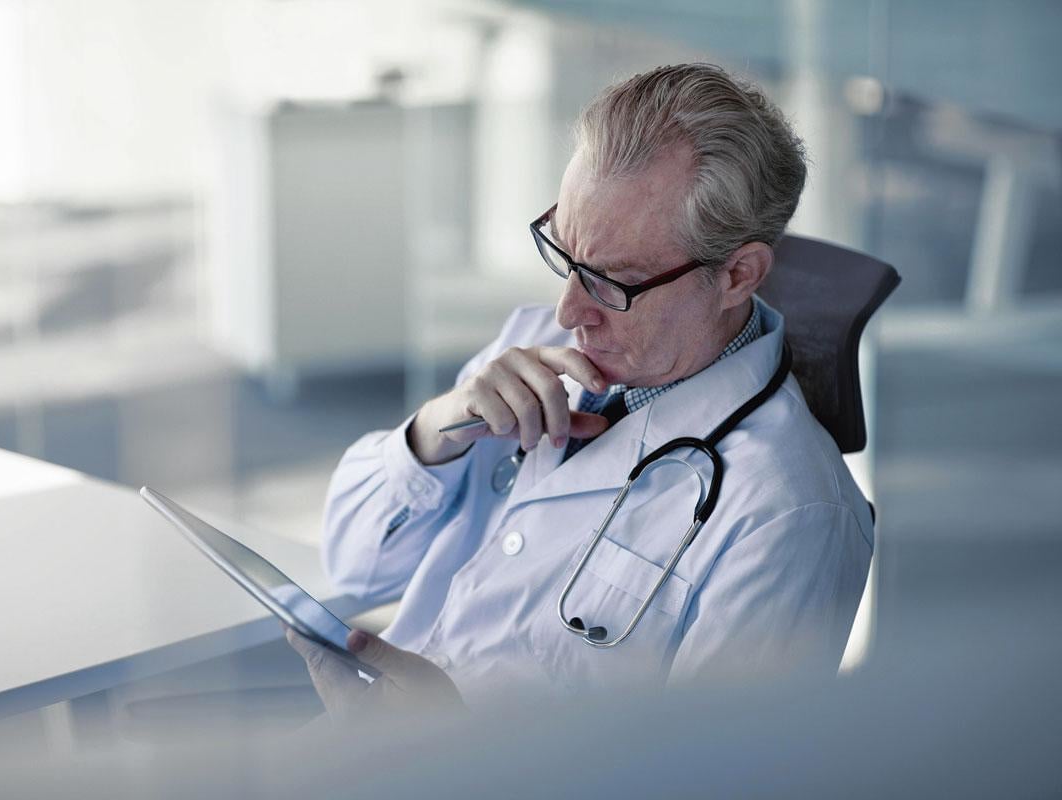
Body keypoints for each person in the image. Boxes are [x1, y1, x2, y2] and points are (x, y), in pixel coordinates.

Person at [288, 63, 874, 715]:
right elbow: (353, 564)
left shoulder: (788, 513)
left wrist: (452, 747)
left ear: (738, 275)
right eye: (566, 255)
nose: (568, 311)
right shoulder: (532, 350)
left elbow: (721, 772)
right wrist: (438, 431)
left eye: (613, 282)